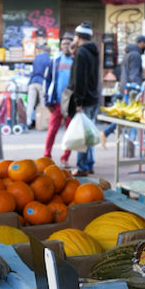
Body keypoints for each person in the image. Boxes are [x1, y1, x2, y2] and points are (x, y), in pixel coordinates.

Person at [68, 22, 100, 177]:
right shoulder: (93, 51)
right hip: (94, 97)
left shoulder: (82, 53)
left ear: (78, 36)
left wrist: (78, 102)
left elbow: (80, 78)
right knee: (90, 134)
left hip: (84, 99)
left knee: (82, 135)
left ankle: (81, 167)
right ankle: (89, 164)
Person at [43, 32, 74, 166]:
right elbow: (48, 80)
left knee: (70, 132)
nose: (66, 46)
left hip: (71, 103)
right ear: (60, 46)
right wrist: (47, 100)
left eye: (68, 43)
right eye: (63, 44)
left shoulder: (75, 61)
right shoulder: (55, 61)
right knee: (52, 130)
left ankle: (65, 157)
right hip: (56, 102)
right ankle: (47, 155)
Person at [25, 38, 51, 128]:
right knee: (43, 103)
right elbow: (48, 74)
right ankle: (41, 123)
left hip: (32, 82)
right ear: (49, 52)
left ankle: (28, 121)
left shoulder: (37, 58)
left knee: (30, 103)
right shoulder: (49, 60)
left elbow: (33, 71)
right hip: (41, 82)